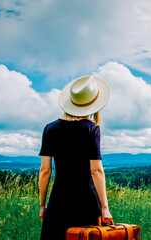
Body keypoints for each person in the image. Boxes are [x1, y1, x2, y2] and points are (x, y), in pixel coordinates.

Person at [38, 75, 112, 240]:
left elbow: (44, 171)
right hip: (87, 203)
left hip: (58, 202)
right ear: (93, 104)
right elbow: (96, 171)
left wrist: (43, 205)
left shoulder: (49, 129)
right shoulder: (92, 129)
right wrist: (105, 207)